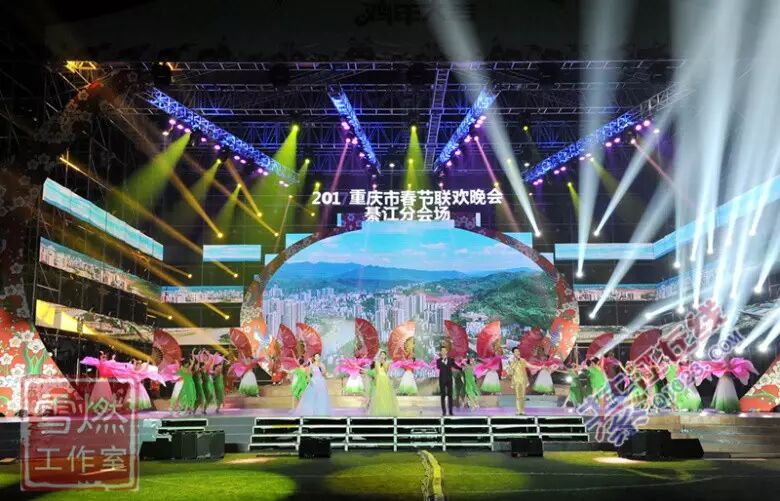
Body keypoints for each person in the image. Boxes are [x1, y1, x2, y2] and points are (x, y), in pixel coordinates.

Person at [365, 351, 399, 416]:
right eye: (381, 355)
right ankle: (379, 410)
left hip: (385, 379)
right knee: (379, 394)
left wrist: (384, 364)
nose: (382, 356)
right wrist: (376, 380)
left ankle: (386, 410)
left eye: (383, 355)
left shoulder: (387, 363)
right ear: (379, 356)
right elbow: (376, 372)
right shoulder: (376, 363)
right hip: (379, 379)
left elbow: (386, 371)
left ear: (385, 356)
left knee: (386, 394)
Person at [436, 346, 461, 416]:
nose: (443, 352)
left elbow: (455, 365)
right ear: (440, 352)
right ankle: (444, 411)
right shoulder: (438, 360)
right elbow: (438, 367)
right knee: (443, 395)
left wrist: (461, 368)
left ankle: (450, 411)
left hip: (449, 379)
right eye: (442, 351)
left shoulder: (450, 359)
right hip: (442, 380)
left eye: (445, 350)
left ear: (446, 352)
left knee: (450, 395)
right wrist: (443, 360)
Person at [508, 347, 529, 415]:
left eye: (518, 351)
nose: (518, 352)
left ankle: (522, 410)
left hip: (523, 380)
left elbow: (525, 369)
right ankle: (518, 410)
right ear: (513, 353)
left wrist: (526, 380)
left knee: (523, 396)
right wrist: (516, 361)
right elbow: (510, 372)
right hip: (516, 380)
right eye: (516, 351)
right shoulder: (511, 361)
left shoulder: (523, 360)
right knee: (518, 396)